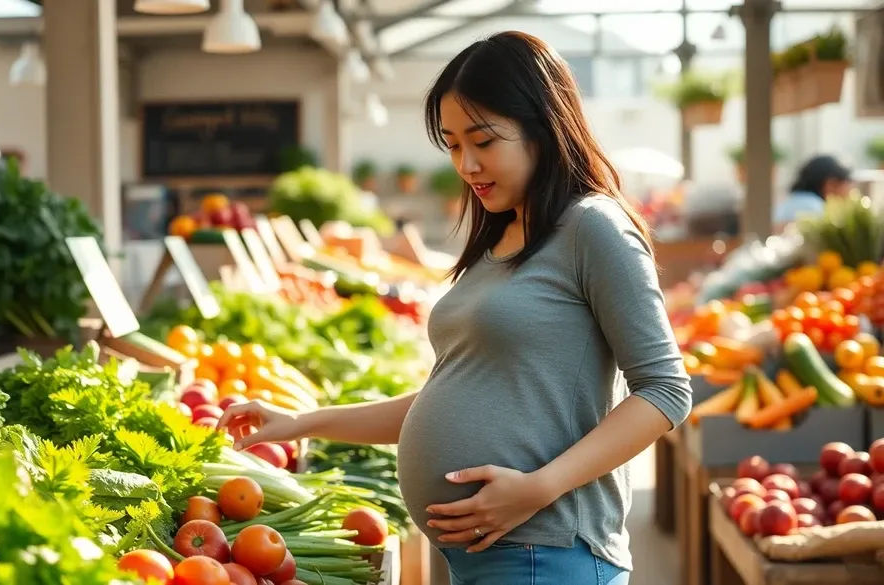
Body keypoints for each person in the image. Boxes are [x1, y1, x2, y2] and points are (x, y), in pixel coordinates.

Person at [219, 31, 691, 585]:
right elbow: (456, 391)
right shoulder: (501, 240)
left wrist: (538, 488)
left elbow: (665, 391)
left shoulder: (593, 227)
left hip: (546, 553)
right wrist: (302, 423)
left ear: (543, 125)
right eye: (451, 143)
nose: (466, 164)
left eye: (483, 141)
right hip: (493, 558)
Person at [773, 155, 853, 228]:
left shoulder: (792, 200)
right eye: (846, 183)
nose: (850, 190)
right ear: (830, 184)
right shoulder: (815, 209)